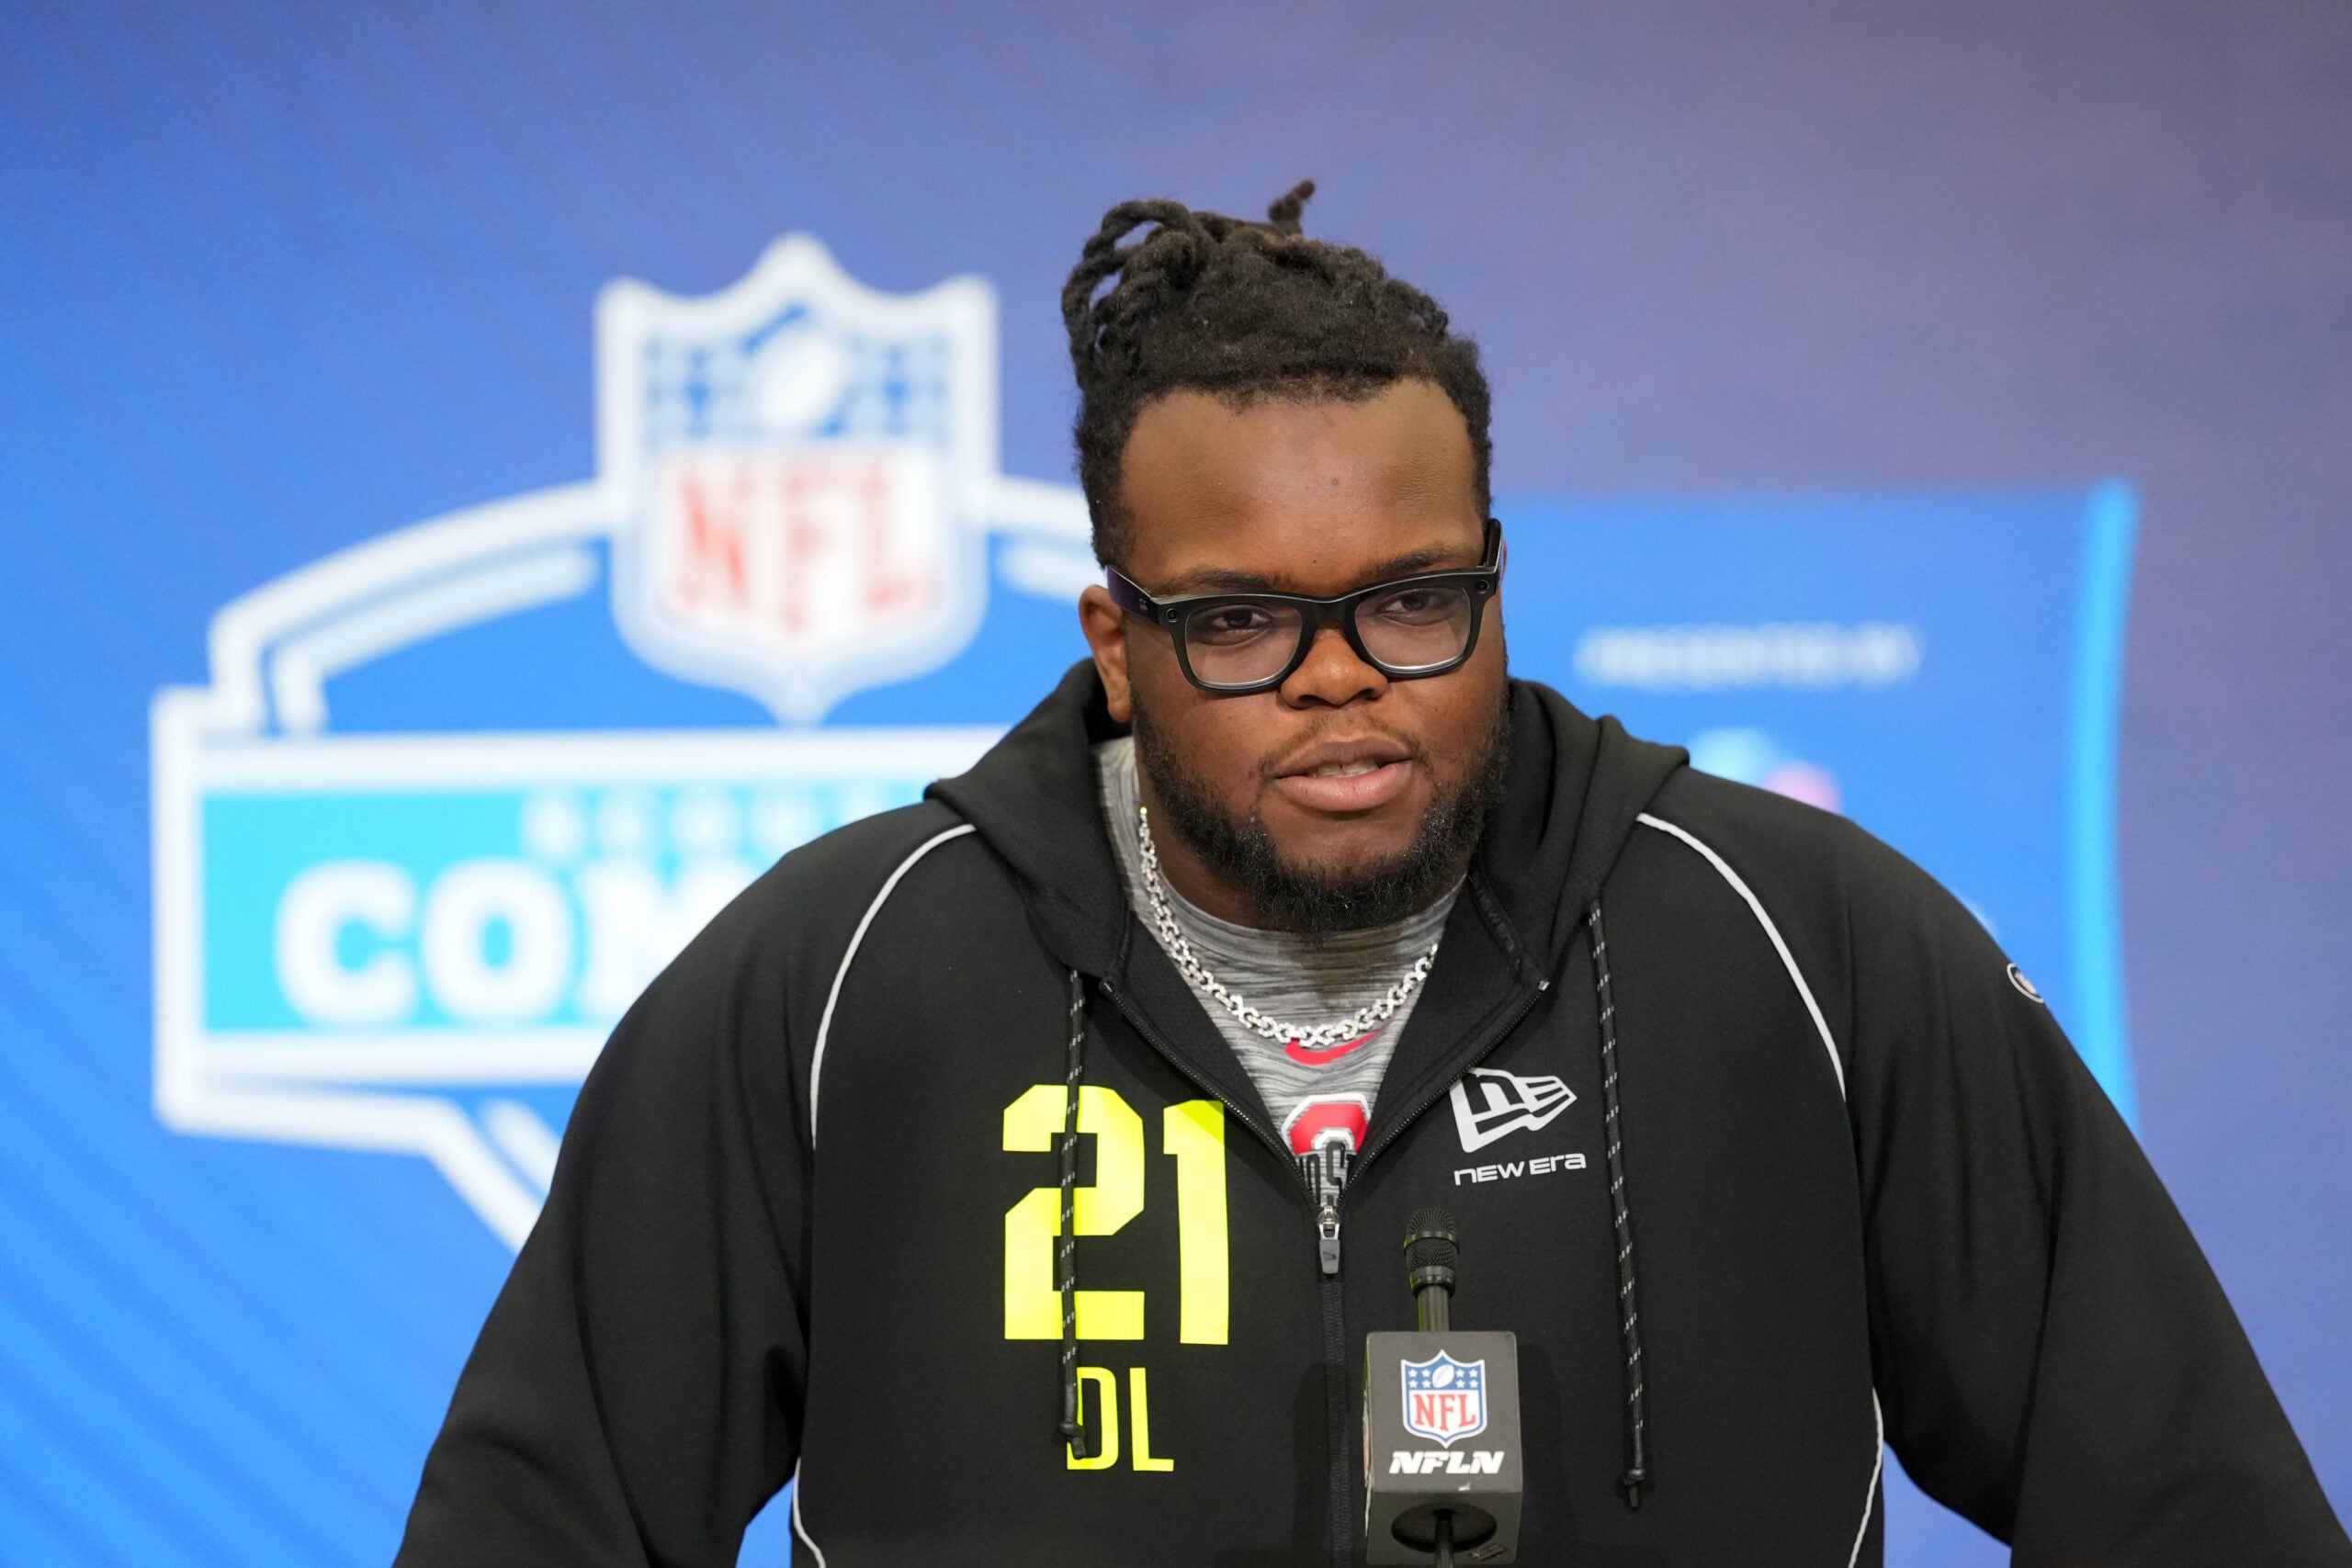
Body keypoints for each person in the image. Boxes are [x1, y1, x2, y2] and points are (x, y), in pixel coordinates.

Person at [395, 185, 2348, 1567]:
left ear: (1493, 580)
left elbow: (2185, 1500)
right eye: (1239, 619)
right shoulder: (838, 977)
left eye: (1411, 600)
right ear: (1113, 635)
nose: (1339, 677)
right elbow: (531, 1519)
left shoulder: (1807, 947)